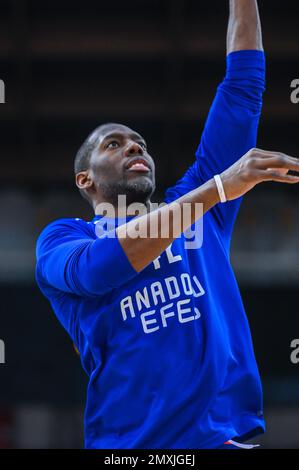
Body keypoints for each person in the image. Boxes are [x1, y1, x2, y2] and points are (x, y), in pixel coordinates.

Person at [35, 0, 299, 449]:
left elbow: (242, 87)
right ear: (86, 179)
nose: (135, 148)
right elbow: (101, 269)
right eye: (114, 144)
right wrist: (217, 187)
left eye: (139, 143)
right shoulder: (63, 238)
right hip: (131, 448)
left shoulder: (200, 208)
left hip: (221, 439)